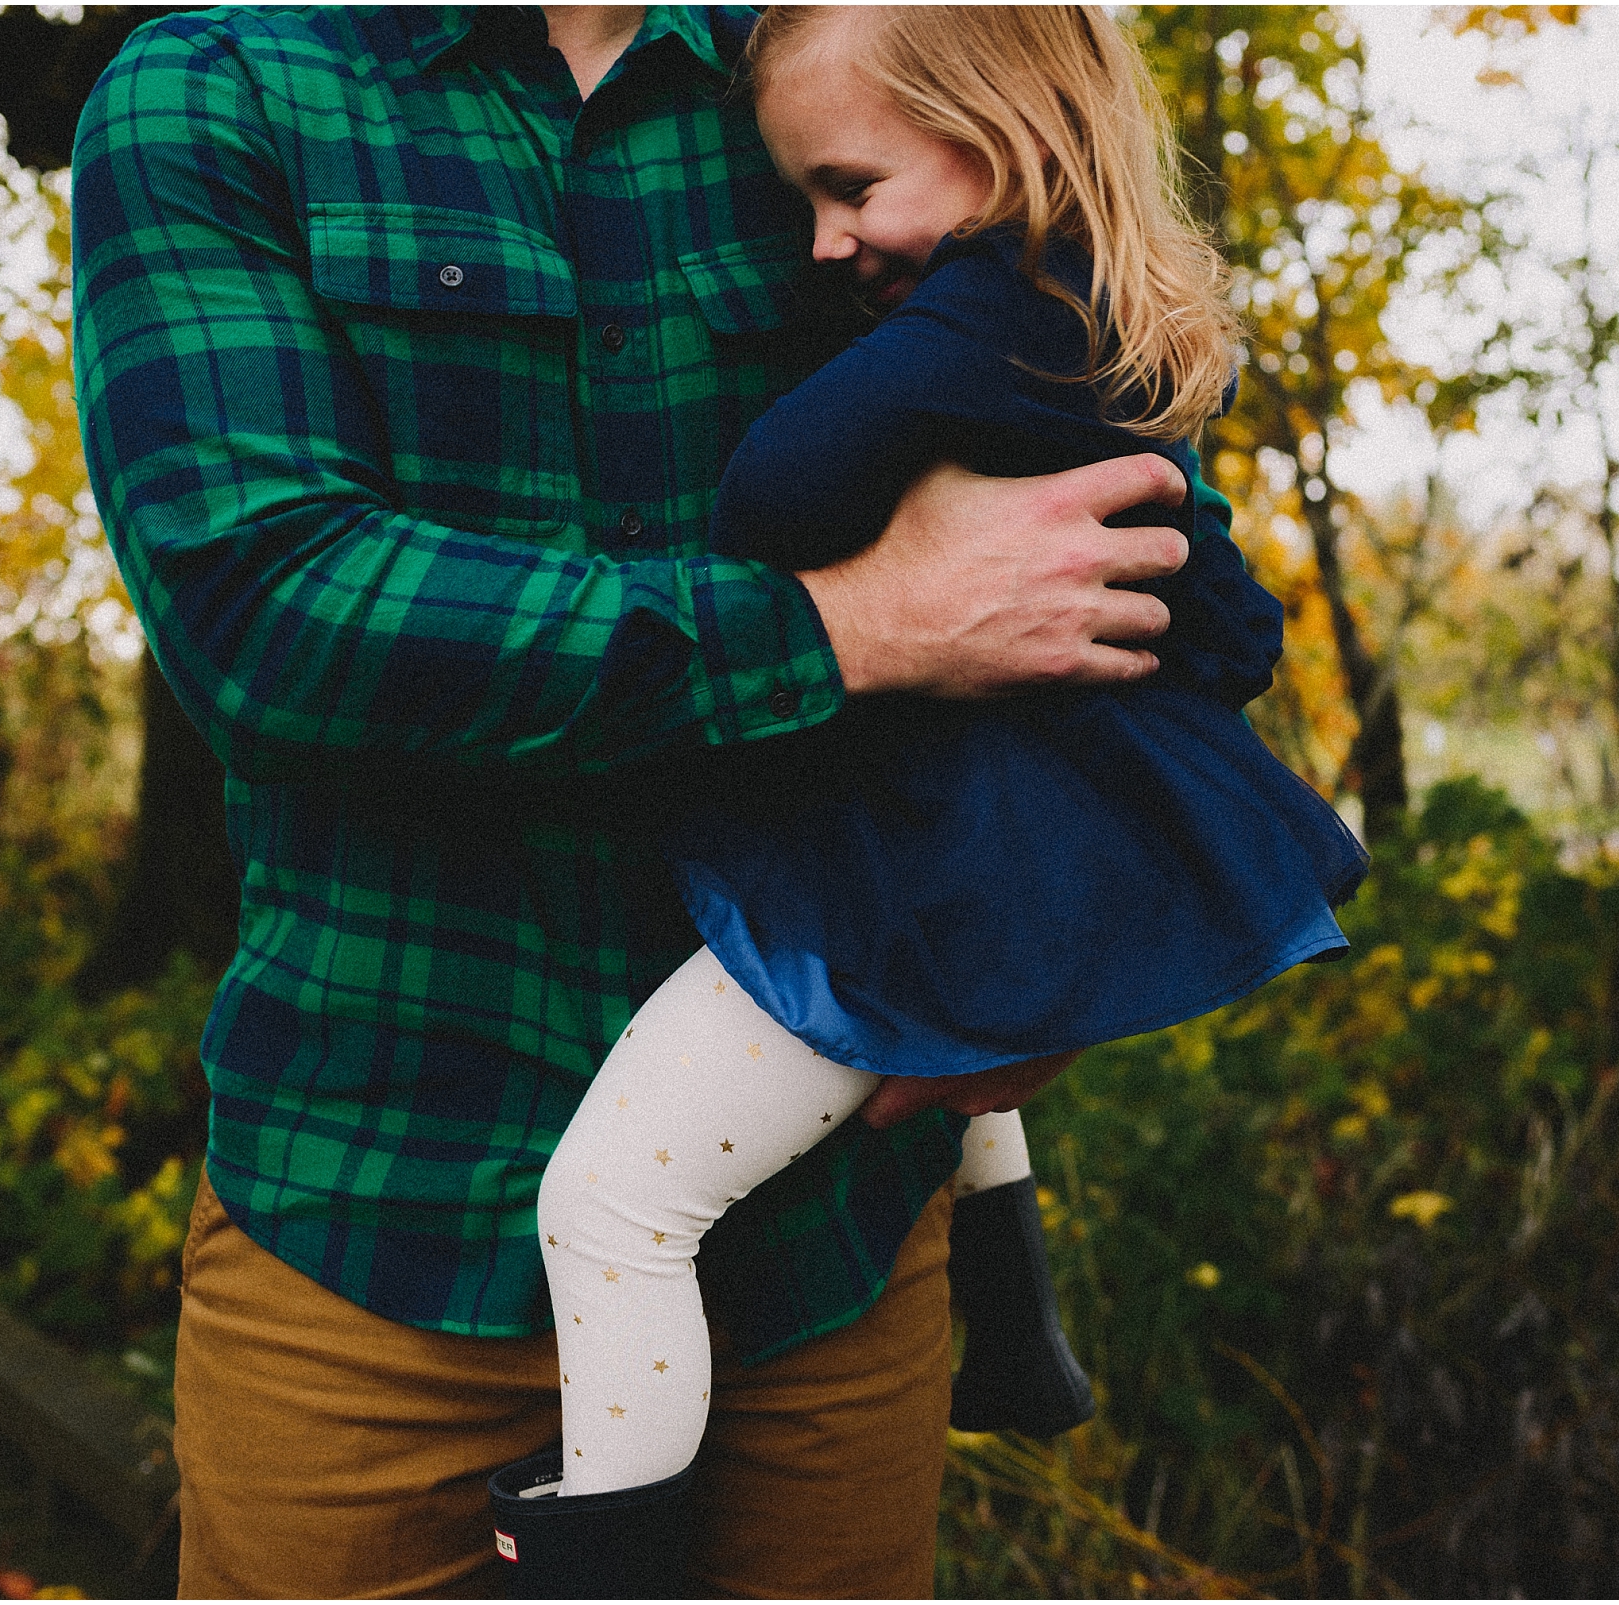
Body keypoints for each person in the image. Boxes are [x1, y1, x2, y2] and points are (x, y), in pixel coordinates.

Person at [71, 5, 1256, 1597]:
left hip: (827, 1240)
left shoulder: (837, 63)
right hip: (376, 1206)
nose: (842, 232)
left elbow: (1117, 499)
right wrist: (859, 625)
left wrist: (1054, 949)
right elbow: (269, 614)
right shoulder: (219, 92)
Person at [488, 6, 1368, 1589]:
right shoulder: (1098, 311)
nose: (825, 243)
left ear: (1002, 134)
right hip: (1009, 857)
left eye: (848, 187)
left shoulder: (980, 319)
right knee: (946, 1034)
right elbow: (1232, 618)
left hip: (934, 857)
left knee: (616, 1198)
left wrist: (885, 487)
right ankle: (1016, 1332)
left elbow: (777, 488)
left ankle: (606, 1533)